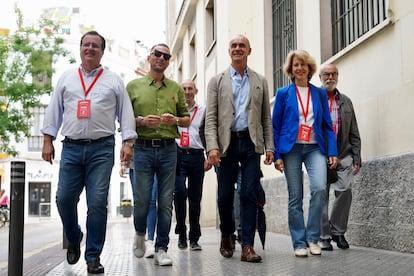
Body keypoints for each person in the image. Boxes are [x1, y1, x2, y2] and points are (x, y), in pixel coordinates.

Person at [41, 30, 137, 274]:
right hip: (71, 147)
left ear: (102, 51)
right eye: (86, 44)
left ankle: (93, 256)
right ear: (80, 49)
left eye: (95, 45)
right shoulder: (67, 78)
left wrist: (127, 142)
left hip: (102, 149)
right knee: (63, 199)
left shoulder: (113, 80)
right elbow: (54, 110)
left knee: (96, 204)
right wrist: (47, 140)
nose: (90, 48)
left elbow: (125, 113)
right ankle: (74, 237)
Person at [205, 34, 274, 263]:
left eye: (241, 45)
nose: (237, 49)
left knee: (248, 194)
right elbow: (212, 118)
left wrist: (269, 147)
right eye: (233, 45)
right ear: (229, 51)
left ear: (249, 50)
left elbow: (266, 117)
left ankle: (247, 246)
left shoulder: (260, 81)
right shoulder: (217, 81)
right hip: (227, 144)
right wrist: (212, 147)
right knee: (225, 196)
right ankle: (226, 233)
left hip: (251, 143)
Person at [126, 43, 190, 266]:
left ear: (169, 61)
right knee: (142, 201)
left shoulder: (175, 89)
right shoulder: (133, 86)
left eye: (166, 56)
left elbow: (186, 118)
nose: (161, 58)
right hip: (141, 148)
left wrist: (176, 121)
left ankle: (162, 247)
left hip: (167, 149)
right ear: (149, 57)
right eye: (157, 54)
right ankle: (139, 234)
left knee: (165, 202)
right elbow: (123, 120)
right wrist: (141, 121)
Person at [272, 50, 338, 257]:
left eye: (303, 64)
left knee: (319, 189)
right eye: (295, 65)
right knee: (295, 196)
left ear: (309, 69)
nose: (299, 68)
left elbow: (328, 125)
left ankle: (313, 238)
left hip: (314, 147)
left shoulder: (318, 93)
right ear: (290, 70)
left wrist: (332, 151)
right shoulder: (283, 93)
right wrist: (277, 155)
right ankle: (299, 242)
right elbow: (276, 126)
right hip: (291, 148)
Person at [318, 63, 361, 251]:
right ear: (320, 77)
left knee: (345, 191)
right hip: (319, 154)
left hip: (343, 153)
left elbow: (354, 131)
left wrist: (357, 157)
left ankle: (337, 231)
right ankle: (324, 235)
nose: (330, 77)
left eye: (334, 74)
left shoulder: (346, 101)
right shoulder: (314, 99)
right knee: (320, 195)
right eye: (326, 74)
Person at [174, 79, 212, 251]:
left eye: (190, 88)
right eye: (184, 88)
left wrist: (209, 156)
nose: (187, 91)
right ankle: (181, 232)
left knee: (195, 199)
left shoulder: (203, 111)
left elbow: (209, 133)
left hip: (197, 156)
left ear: (195, 91)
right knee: (180, 192)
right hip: (178, 156)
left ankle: (194, 238)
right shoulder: (174, 111)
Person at [120, 162, 158, 258]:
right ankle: (140, 237)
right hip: (135, 164)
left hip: (154, 163)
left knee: (151, 201)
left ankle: (150, 241)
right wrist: (123, 164)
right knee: (139, 202)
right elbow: (125, 147)